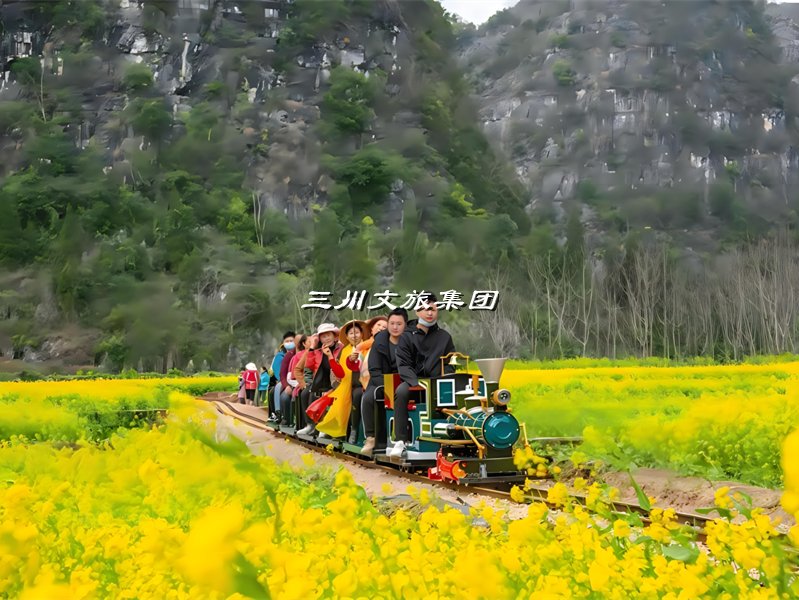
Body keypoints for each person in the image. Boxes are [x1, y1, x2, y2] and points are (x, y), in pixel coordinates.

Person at [388, 293, 455, 458]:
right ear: (417, 312)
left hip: (437, 381)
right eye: (425, 309)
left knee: (453, 392)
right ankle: (400, 440)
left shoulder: (444, 337)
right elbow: (403, 364)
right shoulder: (406, 336)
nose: (429, 313)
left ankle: (453, 436)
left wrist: (444, 376)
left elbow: (452, 362)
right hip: (413, 382)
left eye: (432, 309)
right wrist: (415, 382)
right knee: (401, 392)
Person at [295, 323, 344, 436]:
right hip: (321, 382)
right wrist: (312, 346)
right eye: (323, 336)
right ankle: (310, 425)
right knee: (306, 393)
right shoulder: (317, 351)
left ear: (334, 336)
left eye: (328, 335)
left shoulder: (341, 348)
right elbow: (307, 364)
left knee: (324, 395)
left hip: (336, 383)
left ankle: (325, 426)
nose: (326, 338)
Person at [345, 315, 387, 446]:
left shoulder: (390, 343)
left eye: (385, 327)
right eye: (378, 325)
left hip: (386, 382)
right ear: (372, 329)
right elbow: (356, 365)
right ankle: (356, 430)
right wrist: (352, 359)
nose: (381, 328)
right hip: (367, 384)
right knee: (359, 395)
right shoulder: (363, 348)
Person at [270, 332, 295, 419]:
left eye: (291, 341)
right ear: (283, 343)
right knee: (277, 388)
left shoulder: (299, 353)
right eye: (287, 341)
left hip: (295, 379)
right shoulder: (280, 356)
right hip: (283, 379)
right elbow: (279, 372)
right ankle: (278, 413)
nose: (289, 343)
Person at [279, 334, 302, 426]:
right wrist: (286, 386)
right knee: (284, 397)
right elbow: (282, 374)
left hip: (302, 382)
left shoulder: (309, 353)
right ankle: (286, 419)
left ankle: (300, 422)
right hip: (290, 382)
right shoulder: (289, 355)